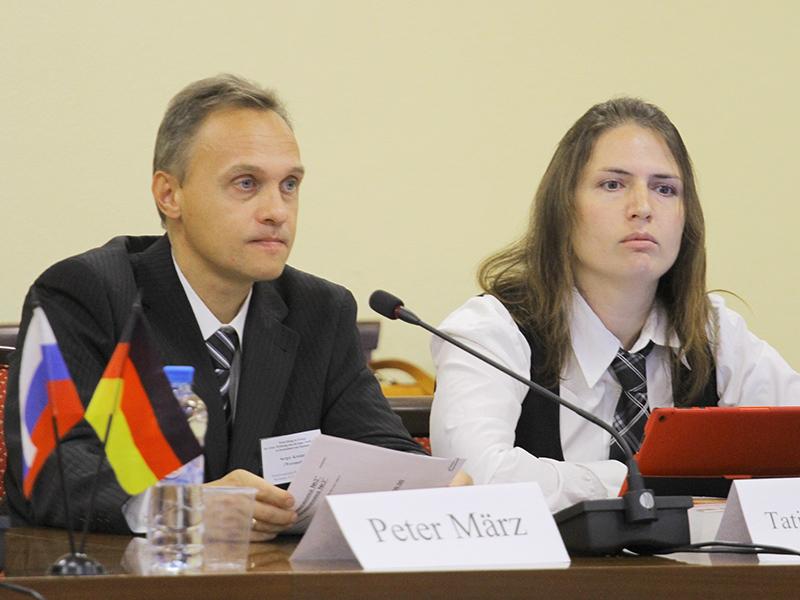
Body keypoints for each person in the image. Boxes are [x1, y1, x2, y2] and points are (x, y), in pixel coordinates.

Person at [4, 74, 427, 537]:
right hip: (120, 569)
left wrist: (430, 488)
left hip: (272, 571)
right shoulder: (87, 293)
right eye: (246, 183)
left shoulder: (320, 311)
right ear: (170, 195)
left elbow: (383, 451)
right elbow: (52, 470)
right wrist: (187, 508)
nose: (277, 211)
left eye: (289, 184)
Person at [430, 97, 800, 512]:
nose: (642, 208)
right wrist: (629, 482)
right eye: (613, 185)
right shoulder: (490, 330)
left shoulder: (713, 333)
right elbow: (475, 480)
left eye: (664, 189)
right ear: (563, 208)